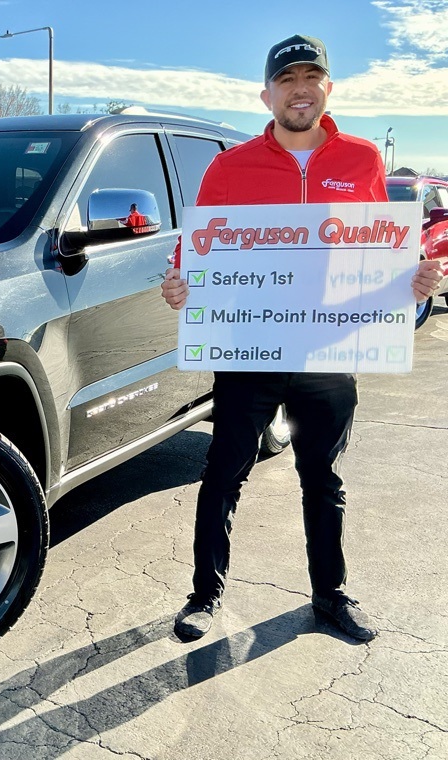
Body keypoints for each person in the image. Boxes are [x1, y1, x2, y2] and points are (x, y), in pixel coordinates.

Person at [160, 34, 446, 642]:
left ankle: (330, 597)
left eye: (310, 77)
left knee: (323, 479)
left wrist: (416, 276)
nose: (299, 89)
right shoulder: (229, 168)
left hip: (329, 352)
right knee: (223, 475)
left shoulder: (362, 160)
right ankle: (204, 596)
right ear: (266, 95)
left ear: (328, 88)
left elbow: (383, 250)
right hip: (250, 352)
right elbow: (194, 252)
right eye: (286, 79)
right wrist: (181, 283)